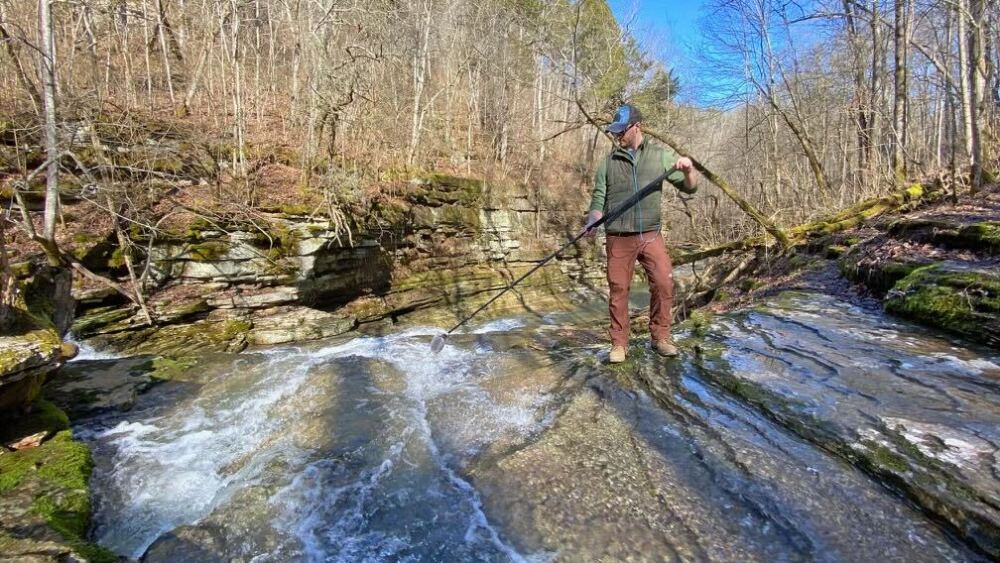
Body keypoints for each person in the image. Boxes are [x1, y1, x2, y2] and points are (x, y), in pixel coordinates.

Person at [582, 103, 698, 363]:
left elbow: (691, 188)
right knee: (619, 289)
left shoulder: (660, 157)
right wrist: (592, 222)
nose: (618, 136)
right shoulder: (608, 164)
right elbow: (598, 200)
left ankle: (661, 337)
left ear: (636, 127)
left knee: (664, 282)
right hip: (618, 237)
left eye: (622, 131)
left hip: (650, 234)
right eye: (615, 132)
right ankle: (619, 344)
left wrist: (688, 170)